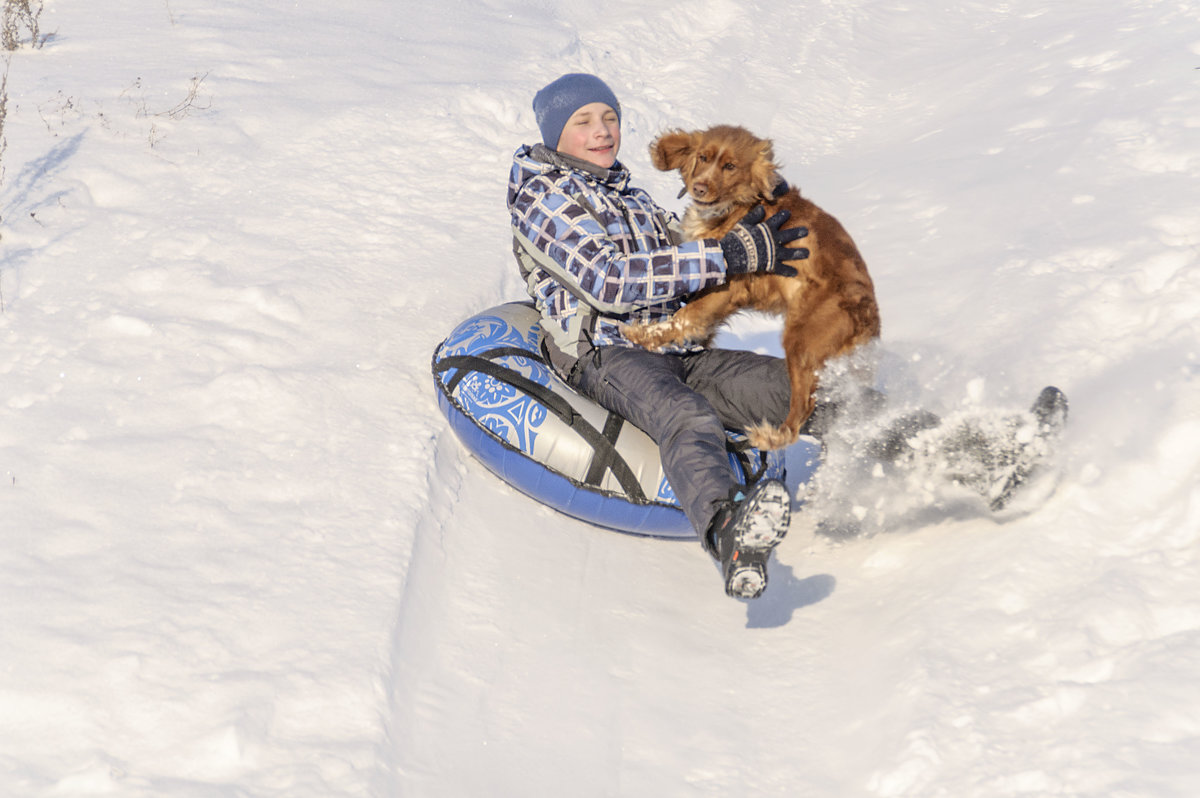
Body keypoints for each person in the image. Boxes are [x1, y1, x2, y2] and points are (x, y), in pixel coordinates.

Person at [507, 73, 811, 600]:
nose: (602, 131)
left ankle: (930, 443)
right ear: (556, 133)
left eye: (609, 118)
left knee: (800, 385)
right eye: (584, 121)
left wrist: (749, 237)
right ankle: (728, 533)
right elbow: (609, 281)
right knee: (687, 416)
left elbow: (683, 244)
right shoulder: (544, 197)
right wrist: (721, 257)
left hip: (677, 345)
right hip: (608, 352)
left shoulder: (627, 194)